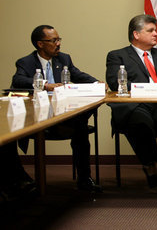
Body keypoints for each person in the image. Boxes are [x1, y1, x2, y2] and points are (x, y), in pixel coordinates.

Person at [105, 14, 157, 198]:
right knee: (139, 120)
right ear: (136, 34)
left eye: (155, 30)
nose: (156, 34)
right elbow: (114, 83)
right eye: (150, 30)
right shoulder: (117, 56)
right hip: (135, 105)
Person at [11, 25, 102, 192]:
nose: (58, 44)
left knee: (81, 128)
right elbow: (19, 80)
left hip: (61, 117)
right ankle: (21, 181)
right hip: (36, 117)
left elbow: (77, 74)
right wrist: (46, 85)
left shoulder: (64, 59)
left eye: (59, 39)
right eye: (54, 40)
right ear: (40, 44)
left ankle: (84, 179)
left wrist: (97, 83)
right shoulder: (26, 62)